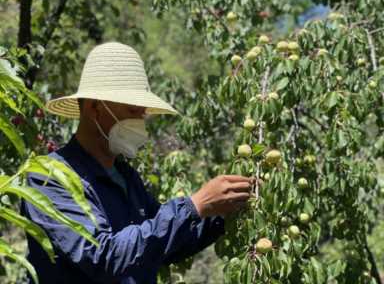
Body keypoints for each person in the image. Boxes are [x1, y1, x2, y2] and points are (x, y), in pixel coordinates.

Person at [21, 42, 254, 284]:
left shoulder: (125, 176)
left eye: (142, 114)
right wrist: (194, 206)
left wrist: (220, 212)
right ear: (94, 108)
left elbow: (163, 244)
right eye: (133, 109)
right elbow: (102, 257)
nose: (140, 122)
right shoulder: (48, 176)